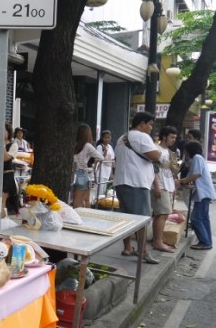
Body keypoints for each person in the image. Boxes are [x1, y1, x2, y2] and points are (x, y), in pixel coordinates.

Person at [114, 111, 161, 264]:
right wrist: (158, 150)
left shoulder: (122, 137)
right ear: (142, 124)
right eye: (150, 125)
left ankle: (128, 247)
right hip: (136, 183)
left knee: (126, 218)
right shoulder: (142, 136)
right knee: (142, 219)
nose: (151, 128)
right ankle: (143, 251)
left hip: (121, 182)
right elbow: (155, 156)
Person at [179, 141, 216, 250]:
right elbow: (193, 176)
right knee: (204, 219)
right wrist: (184, 182)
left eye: (185, 150)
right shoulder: (197, 159)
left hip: (203, 193)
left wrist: (182, 182)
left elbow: (196, 174)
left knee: (196, 219)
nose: (185, 153)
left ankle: (205, 242)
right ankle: (207, 242)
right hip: (204, 192)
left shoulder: (197, 158)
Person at [152, 126, 178, 253]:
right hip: (160, 185)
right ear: (164, 137)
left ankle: (157, 240)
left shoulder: (168, 151)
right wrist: (156, 186)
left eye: (174, 138)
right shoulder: (156, 149)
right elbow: (153, 169)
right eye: (172, 137)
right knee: (163, 213)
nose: (173, 140)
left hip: (167, 185)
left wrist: (173, 186)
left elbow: (170, 171)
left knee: (161, 214)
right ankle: (158, 242)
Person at [0, 124, 18, 217]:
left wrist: (3, 145)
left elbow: (6, 158)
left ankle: (1, 221)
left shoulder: (13, 145)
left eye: (3, 131)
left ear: (9, 133)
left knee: (2, 200)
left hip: (6, 175)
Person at [71, 124, 103, 208]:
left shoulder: (73, 144)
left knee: (73, 201)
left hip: (72, 174)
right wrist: (94, 164)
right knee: (80, 202)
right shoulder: (88, 146)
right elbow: (100, 157)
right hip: (83, 174)